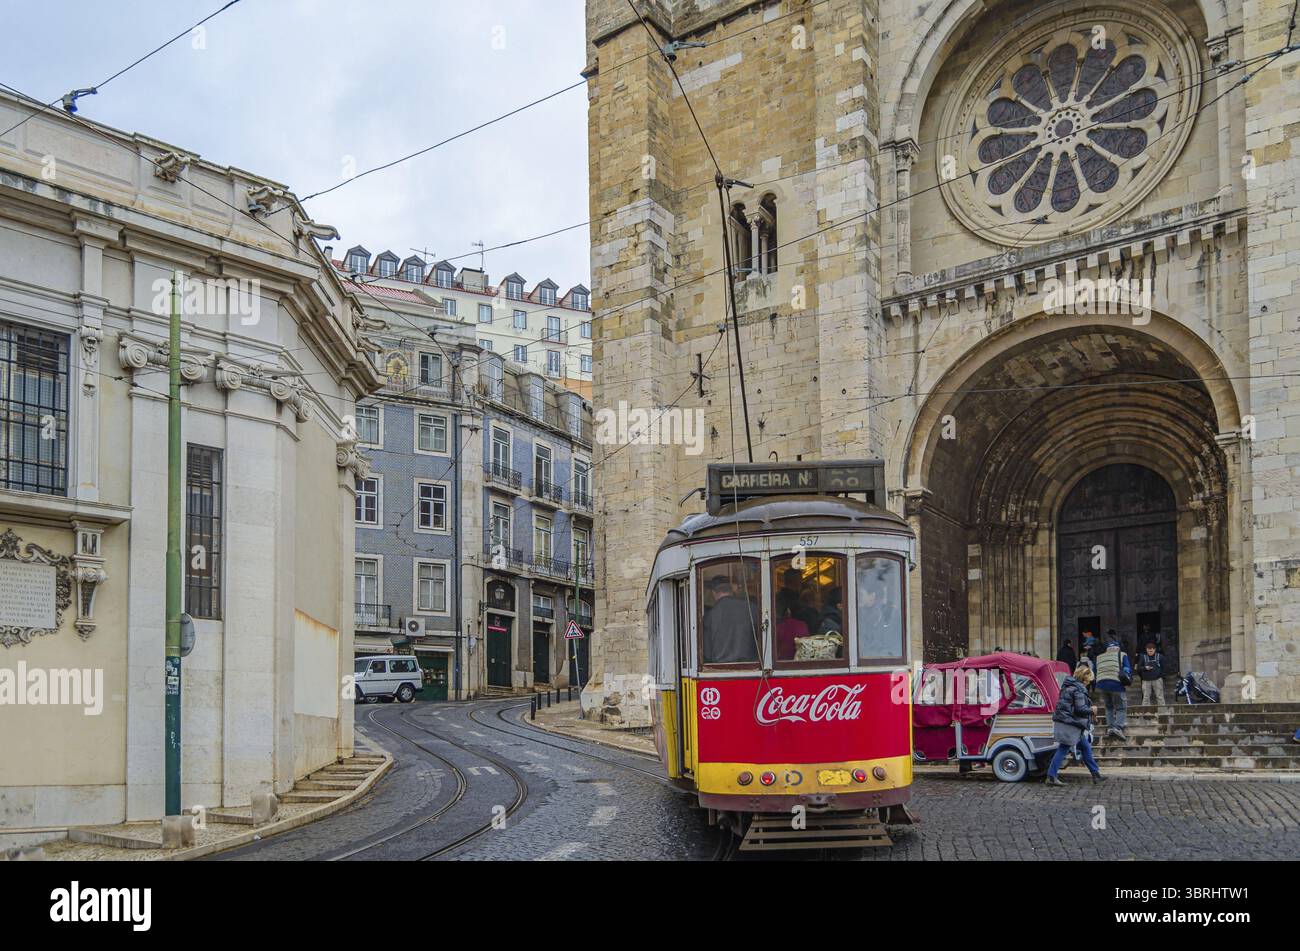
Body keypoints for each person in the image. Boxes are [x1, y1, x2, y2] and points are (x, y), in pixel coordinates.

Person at [1046, 663, 1105, 786]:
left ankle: (1096, 774)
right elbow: (1080, 709)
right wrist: (1092, 710)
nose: (1090, 682)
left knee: (1085, 747)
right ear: (1084, 678)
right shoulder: (1078, 689)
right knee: (1063, 749)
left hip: (1070, 722)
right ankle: (1051, 777)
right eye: (1089, 679)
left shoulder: (1070, 686)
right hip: (1070, 723)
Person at [701, 575, 759, 664]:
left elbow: (707, 654)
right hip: (751, 667)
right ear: (731, 590)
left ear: (713, 592)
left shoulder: (710, 616)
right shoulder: (751, 608)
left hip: (720, 669)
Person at [1094, 635, 1131, 740]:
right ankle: (1118, 727)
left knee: (1108, 706)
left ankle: (1110, 727)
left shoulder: (1099, 657)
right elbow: (1127, 668)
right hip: (1116, 683)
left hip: (1101, 684)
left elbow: (1096, 670)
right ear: (1118, 648)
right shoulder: (1122, 654)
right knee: (1121, 706)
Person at [1136, 640, 1165, 705]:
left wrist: (1160, 676)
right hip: (1146, 681)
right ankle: (1146, 714)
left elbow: (1163, 668)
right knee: (1146, 698)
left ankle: (1163, 713)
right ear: (1146, 650)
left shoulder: (1160, 657)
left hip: (1157, 680)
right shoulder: (1143, 657)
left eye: (1151, 651)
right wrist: (1145, 668)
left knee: (1160, 697)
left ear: (1154, 649)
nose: (1150, 652)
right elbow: (1138, 668)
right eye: (1148, 651)